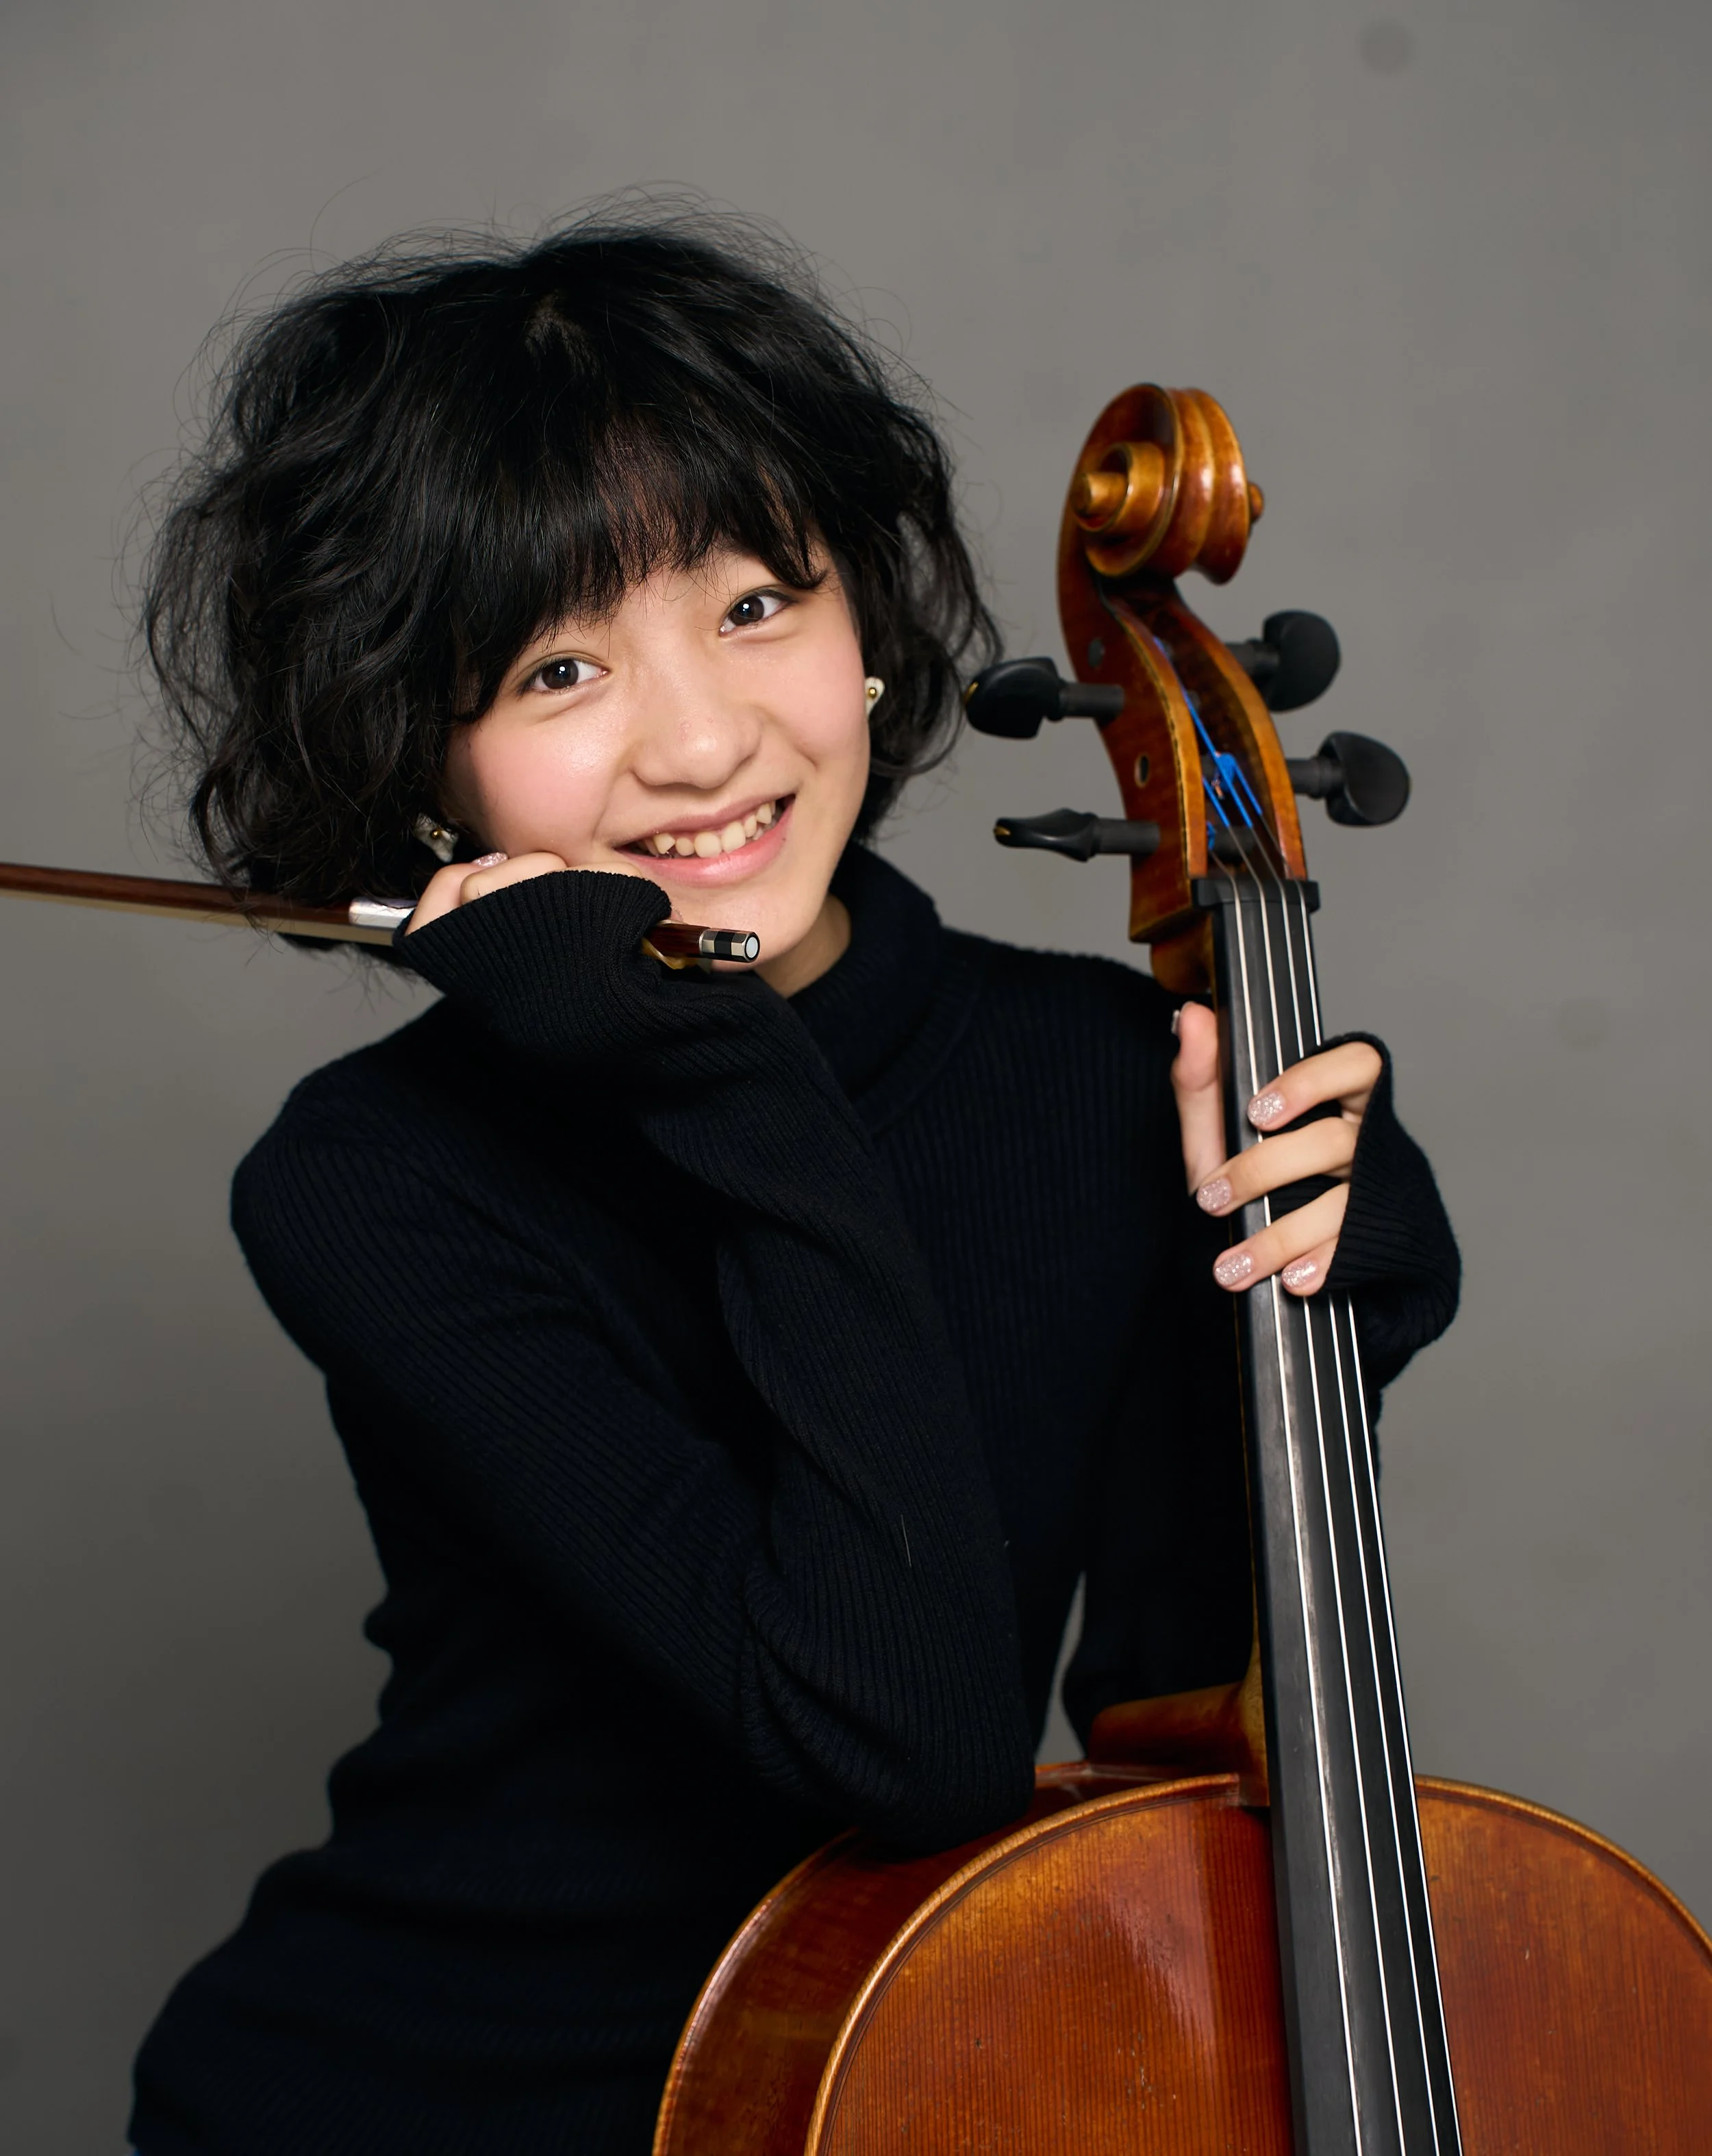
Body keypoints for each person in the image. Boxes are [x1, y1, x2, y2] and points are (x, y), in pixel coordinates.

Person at [127, 207, 1458, 2156]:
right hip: (433, 2105)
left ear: (867, 624)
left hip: (904, 2081)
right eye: (558, 667)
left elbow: (1158, 1720)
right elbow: (897, 1739)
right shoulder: (376, 1181)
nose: (701, 744)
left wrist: (1328, 1318)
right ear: (422, 760)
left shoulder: (1104, 1084)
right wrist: (726, 1067)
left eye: (758, 605)